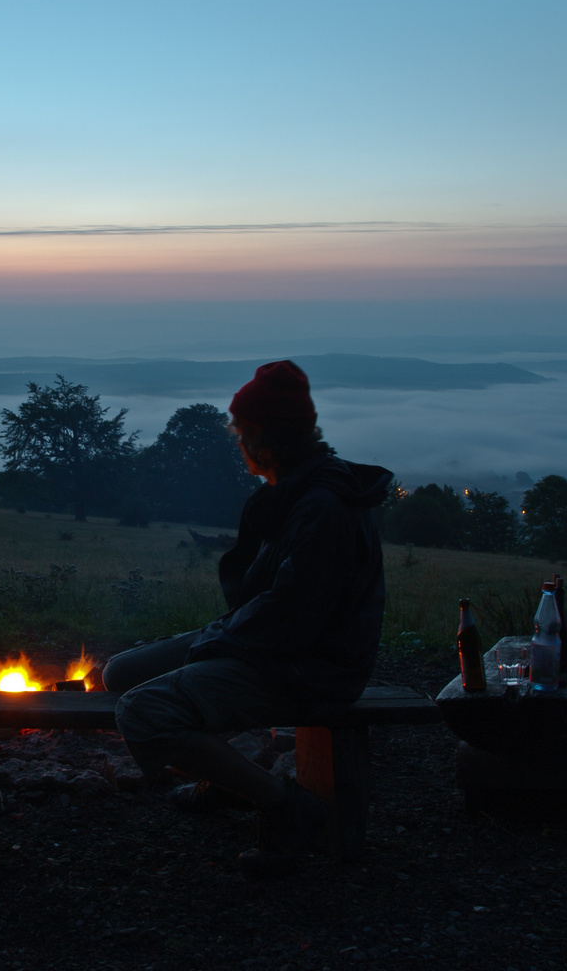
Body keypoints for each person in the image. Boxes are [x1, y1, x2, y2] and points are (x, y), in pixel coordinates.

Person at [104, 359, 392, 876]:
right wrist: (219, 637)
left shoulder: (322, 507)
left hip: (311, 667)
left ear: (263, 439)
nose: (236, 442)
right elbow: (274, 606)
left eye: (240, 432)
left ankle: (287, 807)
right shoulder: (293, 490)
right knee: (119, 674)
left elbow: (291, 616)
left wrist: (215, 641)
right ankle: (227, 781)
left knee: (143, 710)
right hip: (276, 645)